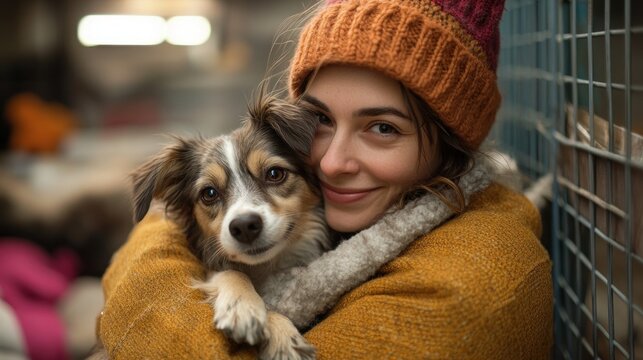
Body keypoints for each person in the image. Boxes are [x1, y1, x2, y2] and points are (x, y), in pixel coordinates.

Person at [96, 0, 553, 358]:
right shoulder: (353, 216)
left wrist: (140, 282)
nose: (331, 164)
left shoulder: (470, 279)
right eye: (321, 121)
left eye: (383, 128)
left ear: (451, 144)